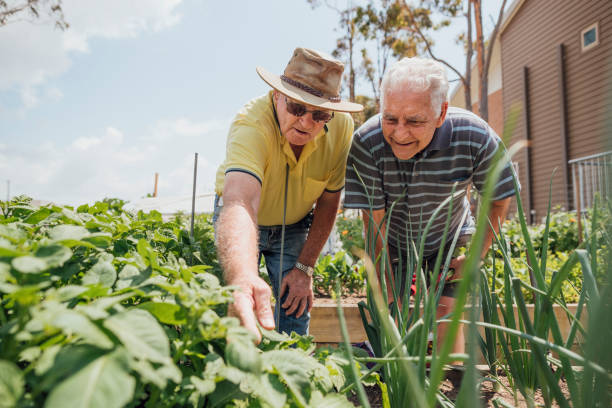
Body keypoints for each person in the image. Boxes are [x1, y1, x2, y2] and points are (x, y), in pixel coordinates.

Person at [344, 57, 518, 355]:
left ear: (441, 113)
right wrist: (387, 292)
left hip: (450, 237)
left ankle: (449, 383)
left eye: (414, 121)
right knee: (390, 321)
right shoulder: (368, 142)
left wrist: (476, 255)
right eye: (390, 118)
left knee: (447, 317)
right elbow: (375, 226)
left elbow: (499, 198)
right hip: (394, 241)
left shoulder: (474, 136)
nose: (399, 133)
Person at [214, 48, 363, 342]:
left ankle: (291, 372)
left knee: (294, 309)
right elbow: (240, 202)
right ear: (276, 97)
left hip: (294, 224)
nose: (306, 123)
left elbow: (330, 200)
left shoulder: (342, 127)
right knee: (236, 301)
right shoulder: (251, 125)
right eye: (297, 108)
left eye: (319, 114)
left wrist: (305, 268)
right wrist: (243, 277)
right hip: (245, 219)